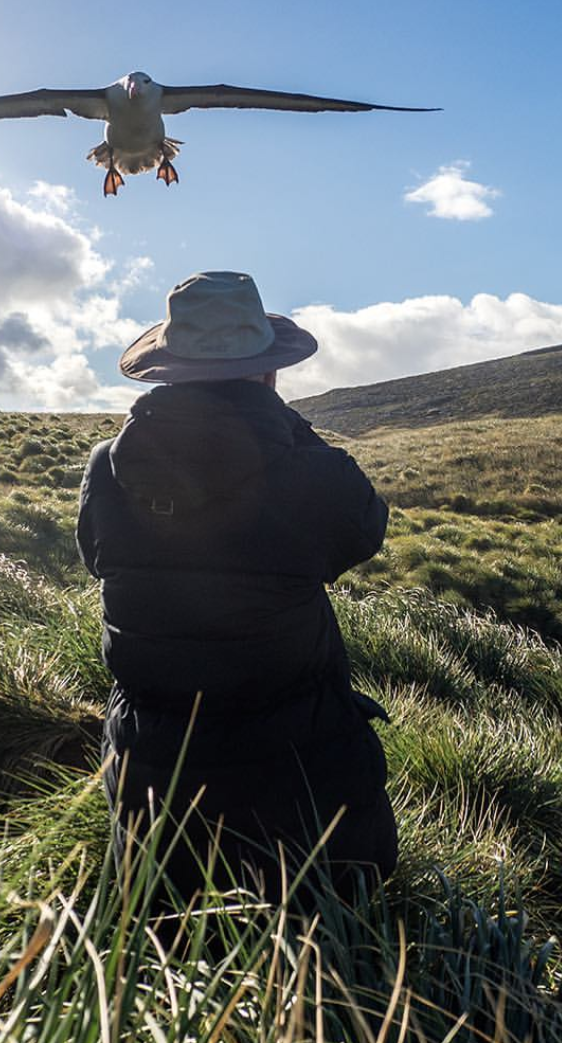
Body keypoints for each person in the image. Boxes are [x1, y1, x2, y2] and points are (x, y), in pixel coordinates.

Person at [77, 271, 396, 911]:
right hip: (298, 768)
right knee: (321, 965)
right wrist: (284, 429)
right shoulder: (309, 470)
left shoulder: (106, 465)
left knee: (166, 950)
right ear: (267, 371)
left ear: (170, 370)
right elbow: (364, 529)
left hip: (151, 766)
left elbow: (95, 560)